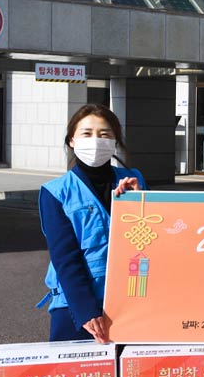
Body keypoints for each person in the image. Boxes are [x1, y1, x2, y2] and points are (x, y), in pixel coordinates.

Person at [37, 104, 146, 344]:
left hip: (131, 297)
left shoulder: (134, 180)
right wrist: (85, 311)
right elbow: (65, 257)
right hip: (76, 306)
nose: (96, 141)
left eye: (104, 134)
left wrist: (139, 201)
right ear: (72, 140)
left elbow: (150, 240)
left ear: (115, 141)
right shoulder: (56, 192)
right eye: (86, 133)